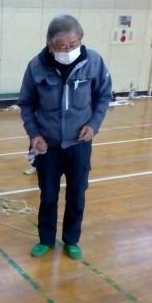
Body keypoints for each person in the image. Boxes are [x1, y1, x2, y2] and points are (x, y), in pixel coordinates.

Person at [17, 14, 112, 260]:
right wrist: (34, 134)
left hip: (79, 144)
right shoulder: (36, 66)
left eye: (73, 44)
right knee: (48, 196)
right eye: (62, 46)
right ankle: (46, 239)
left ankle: (71, 240)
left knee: (77, 194)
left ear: (80, 40)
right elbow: (26, 104)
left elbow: (103, 96)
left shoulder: (94, 62)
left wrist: (94, 125)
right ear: (50, 45)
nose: (68, 50)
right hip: (47, 145)